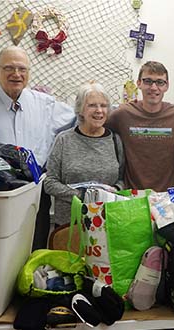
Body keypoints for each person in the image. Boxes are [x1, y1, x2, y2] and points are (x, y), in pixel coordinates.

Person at [0, 45, 76, 250]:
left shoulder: (46, 104)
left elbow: (79, 120)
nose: (16, 74)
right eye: (9, 68)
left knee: (34, 246)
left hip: (35, 190)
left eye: (22, 69)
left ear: (29, 73)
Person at [44, 82, 125, 226]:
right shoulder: (64, 139)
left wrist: (115, 191)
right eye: (92, 105)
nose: (99, 110)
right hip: (69, 225)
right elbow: (50, 183)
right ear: (80, 109)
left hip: (106, 222)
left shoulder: (115, 140)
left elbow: (121, 179)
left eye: (103, 105)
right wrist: (83, 196)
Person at [106, 61, 174, 192]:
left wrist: (173, 162)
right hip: (132, 196)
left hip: (168, 196)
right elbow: (98, 134)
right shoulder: (123, 114)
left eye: (160, 82)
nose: (153, 87)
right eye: (148, 81)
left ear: (166, 86)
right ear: (138, 83)